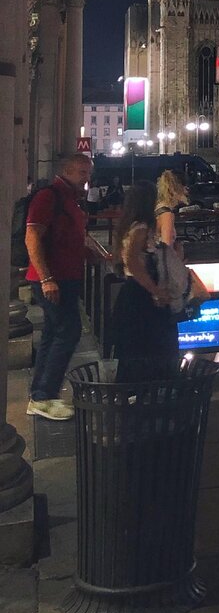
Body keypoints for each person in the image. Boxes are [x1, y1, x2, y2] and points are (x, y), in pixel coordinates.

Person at [25, 154, 104, 420]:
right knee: (68, 331)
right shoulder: (49, 196)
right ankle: (44, 395)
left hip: (65, 278)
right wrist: (47, 279)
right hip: (52, 279)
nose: (87, 178)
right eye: (82, 172)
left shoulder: (69, 199)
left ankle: (40, 394)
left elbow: (67, 236)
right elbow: (32, 236)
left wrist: (85, 253)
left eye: (88, 172)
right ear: (67, 171)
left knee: (53, 333)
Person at [110, 181, 180, 383]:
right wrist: (155, 289)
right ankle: (153, 387)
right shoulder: (141, 227)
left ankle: (134, 389)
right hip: (142, 294)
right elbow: (132, 260)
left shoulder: (128, 225)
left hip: (132, 293)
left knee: (135, 347)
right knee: (155, 342)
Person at [155, 169, 190, 247]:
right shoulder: (167, 214)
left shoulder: (159, 208)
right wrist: (178, 256)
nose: (187, 190)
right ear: (176, 188)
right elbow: (167, 247)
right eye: (184, 185)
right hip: (163, 258)